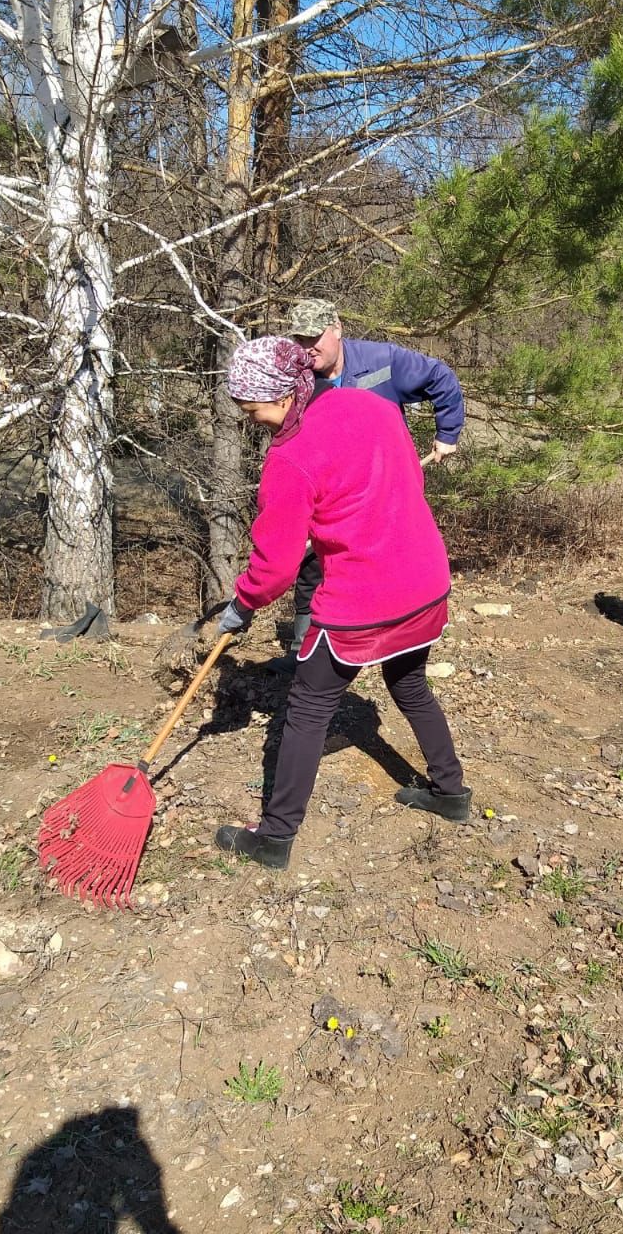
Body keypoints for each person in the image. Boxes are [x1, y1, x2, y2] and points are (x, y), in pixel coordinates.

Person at [214, 336, 472, 871]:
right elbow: (396, 481)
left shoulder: (289, 460)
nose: (251, 419)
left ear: (284, 395)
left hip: (364, 599)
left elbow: (275, 569)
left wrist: (241, 606)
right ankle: (450, 793)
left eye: (252, 409)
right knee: (410, 683)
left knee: (307, 709)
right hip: (424, 579)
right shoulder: (371, 406)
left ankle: (275, 836)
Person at [268, 297, 466, 673]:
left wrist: (448, 433)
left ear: (337, 329)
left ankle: (394, 652)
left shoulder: (382, 362)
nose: (308, 349)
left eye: (316, 338)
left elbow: (441, 378)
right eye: (300, 339)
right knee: (312, 570)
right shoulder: (298, 380)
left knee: (391, 569)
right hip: (329, 498)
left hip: (384, 495)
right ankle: (304, 655)